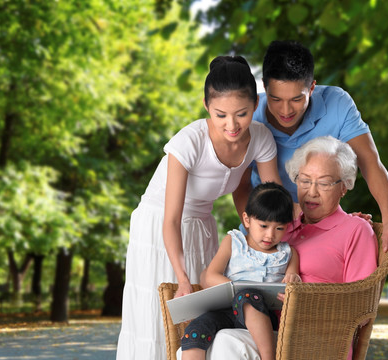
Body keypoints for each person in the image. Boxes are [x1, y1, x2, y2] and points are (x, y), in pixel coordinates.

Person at [116, 55, 281, 360]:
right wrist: (181, 279)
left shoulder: (260, 138)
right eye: (220, 115)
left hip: (203, 224)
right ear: (207, 106)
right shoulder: (188, 143)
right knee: (162, 315)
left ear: (255, 105)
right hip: (161, 225)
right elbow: (171, 218)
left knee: (203, 313)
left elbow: (268, 200)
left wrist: (262, 245)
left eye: (242, 114)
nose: (232, 125)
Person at [206, 136, 378, 359]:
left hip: (313, 337)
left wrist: (305, 300)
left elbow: (362, 306)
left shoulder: (356, 229)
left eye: (324, 183)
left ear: (343, 187)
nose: (312, 192)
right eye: (304, 180)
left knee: (226, 340)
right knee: (197, 343)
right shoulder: (282, 227)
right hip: (262, 324)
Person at [241, 40, 388, 254]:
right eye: (276, 99)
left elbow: (370, 163)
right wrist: (255, 238)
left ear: (312, 87)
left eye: (296, 99)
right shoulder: (249, 117)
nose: (285, 110)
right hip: (266, 232)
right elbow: (241, 186)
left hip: (323, 230)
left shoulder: (338, 103)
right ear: (264, 87)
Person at [180, 182, 300, 360]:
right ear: (247, 220)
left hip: (261, 315)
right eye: (263, 226)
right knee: (196, 331)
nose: (270, 235)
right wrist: (234, 287)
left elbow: (293, 283)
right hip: (225, 311)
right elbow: (211, 275)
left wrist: (293, 279)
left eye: (279, 228)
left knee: (247, 297)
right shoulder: (233, 241)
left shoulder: (288, 253)